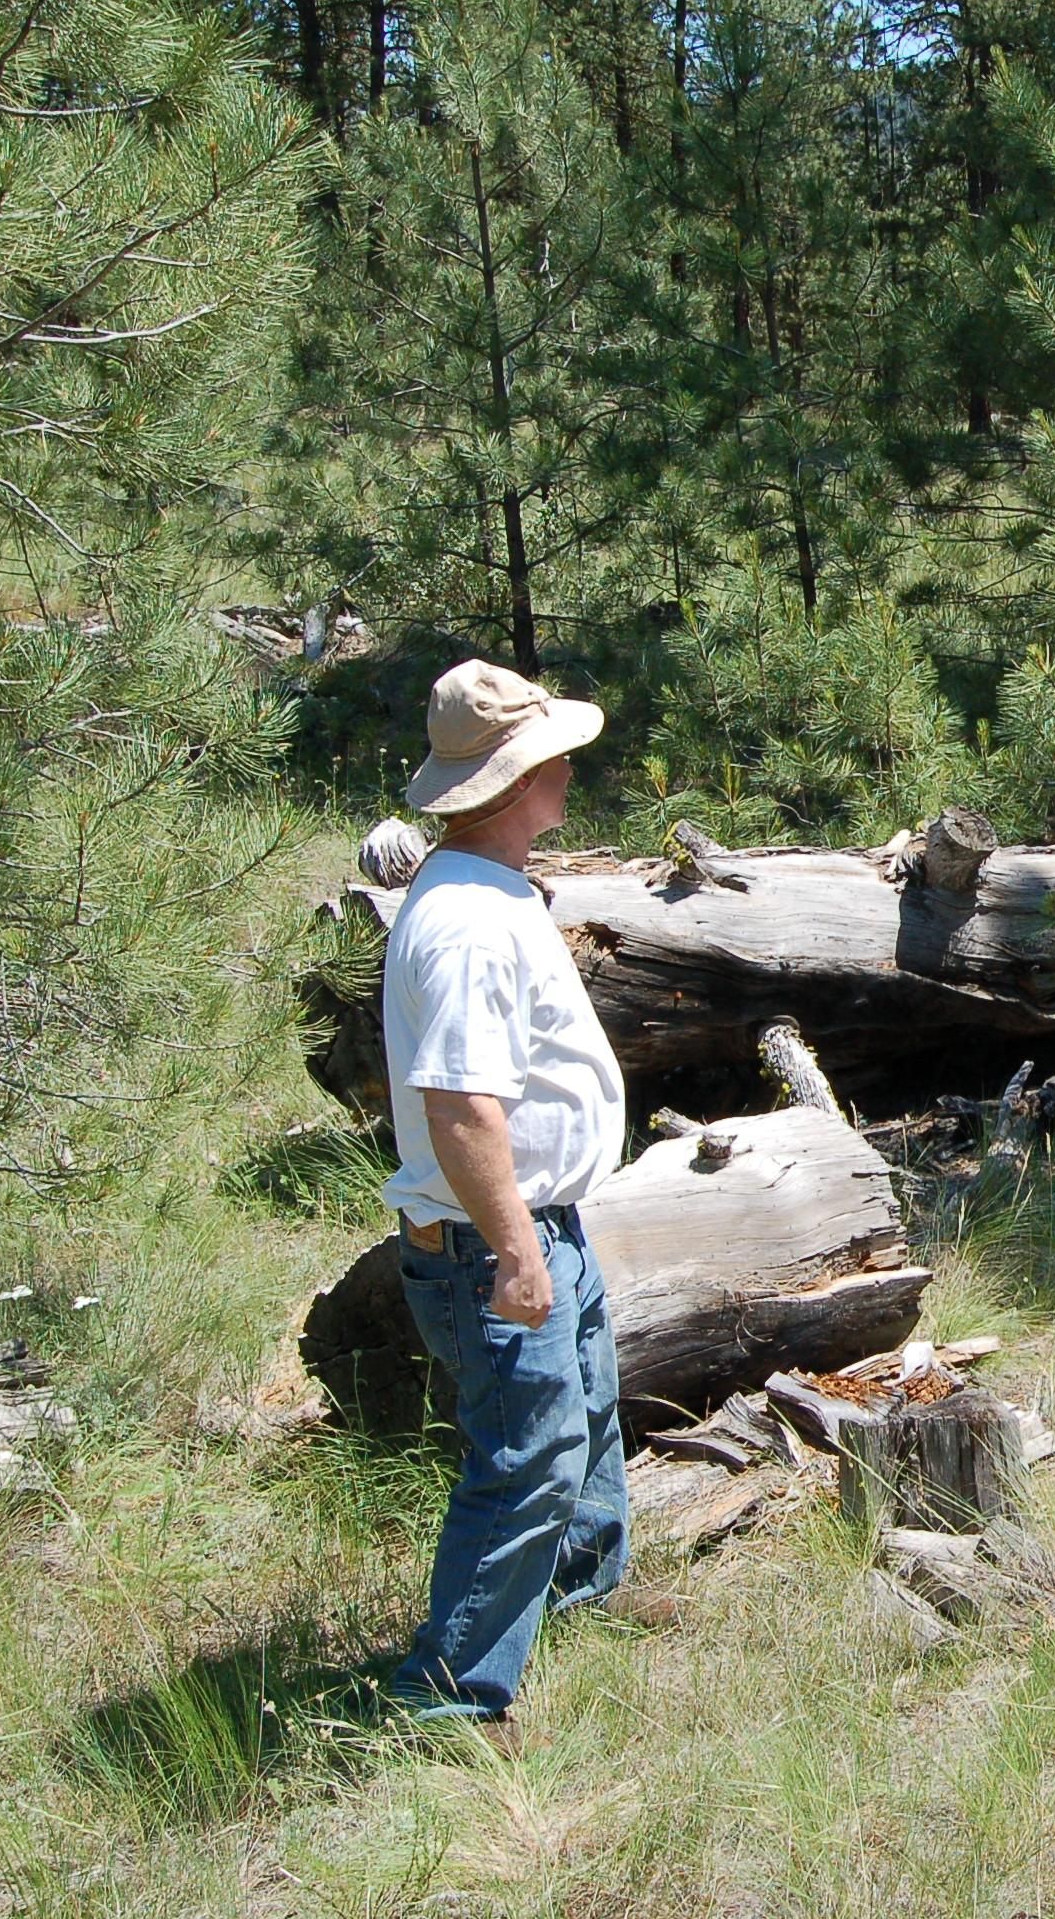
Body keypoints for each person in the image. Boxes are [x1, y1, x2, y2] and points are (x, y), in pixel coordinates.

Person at [381, 659, 632, 1721]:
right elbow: (461, 1106)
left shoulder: (486, 888)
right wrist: (520, 1251)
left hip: (534, 1225)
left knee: (582, 1428)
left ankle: (570, 1604)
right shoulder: (469, 922)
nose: (569, 768)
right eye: (551, 756)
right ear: (513, 779)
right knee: (526, 1459)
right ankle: (445, 1701)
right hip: (497, 1241)